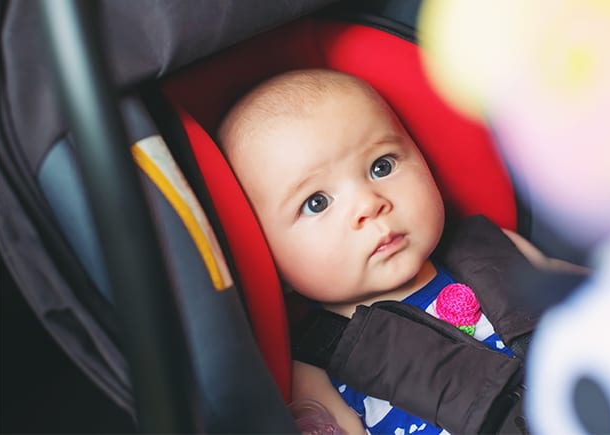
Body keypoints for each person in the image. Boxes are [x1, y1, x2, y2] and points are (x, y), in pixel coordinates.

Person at [218, 69, 586, 434]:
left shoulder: (492, 248)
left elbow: (601, 300)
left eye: (382, 166)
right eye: (316, 202)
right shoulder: (317, 366)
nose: (369, 204)